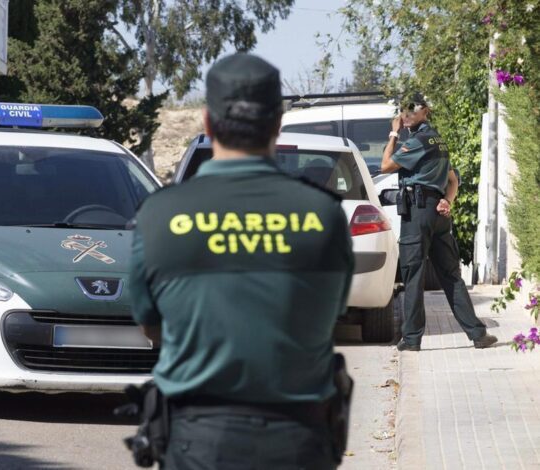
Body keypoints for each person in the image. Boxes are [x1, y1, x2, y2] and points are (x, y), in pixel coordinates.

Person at [129, 52, 355, 469]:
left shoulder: (160, 215)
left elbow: (150, 323)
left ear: (208, 122)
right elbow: (329, 315)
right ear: (278, 121)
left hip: (198, 441)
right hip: (299, 440)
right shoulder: (324, 215)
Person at [381, 93, 498, 351]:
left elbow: (386, 165)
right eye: (403, 111)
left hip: (418, 212)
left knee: (413, 275)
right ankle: (478, 334)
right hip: (438, 213)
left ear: (425, 111)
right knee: (450, 275)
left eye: (411, 111)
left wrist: (393, 135)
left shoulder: (418, 141)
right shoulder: (438, 141)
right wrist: (448, 201)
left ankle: (411, 339)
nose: (406, 115)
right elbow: (453, 180)